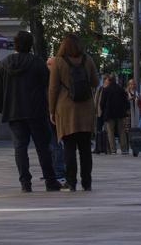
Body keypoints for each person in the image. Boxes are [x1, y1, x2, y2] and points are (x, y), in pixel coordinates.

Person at [0, 30, 62, 192]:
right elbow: (48, 86)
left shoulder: (3, 64)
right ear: (30, 45)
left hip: (14, 112)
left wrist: (3, 109)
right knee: (43, 147)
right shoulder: (37, 63)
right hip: (36, 111)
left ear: (15, 45)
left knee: (20, 148)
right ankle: (50, 181)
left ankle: (25, 183)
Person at [48, 34, 99, 191]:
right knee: (85, 149)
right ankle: (87, 182)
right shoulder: (87, 59)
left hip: (66, 109)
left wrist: (51, 110)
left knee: (69, 147)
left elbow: (53, 88)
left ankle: (71, 182)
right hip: (85, 108)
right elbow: (95, 82)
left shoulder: (58, 62)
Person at [98, 74, 128, 155]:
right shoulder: (121, 89)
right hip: (120, 113)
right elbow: (126, 101)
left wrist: (104, 110)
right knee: (121, 131)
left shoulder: (106, 90)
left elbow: (102, 103)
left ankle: (113, 149)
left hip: (109, 114)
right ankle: (124, 149)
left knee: (110, 132)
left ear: (109, 81)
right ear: (116, 80)